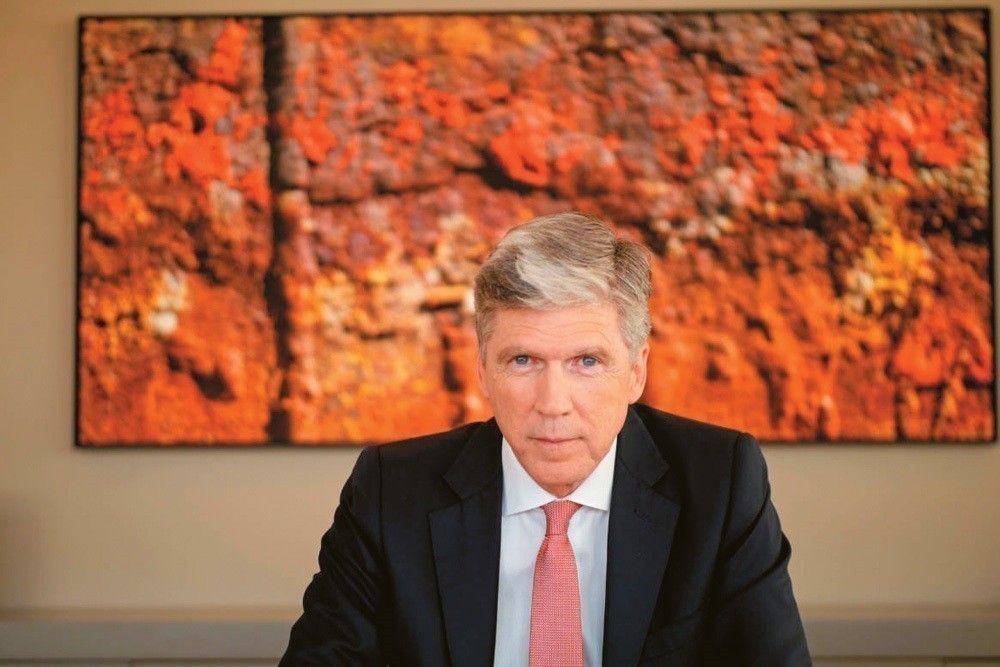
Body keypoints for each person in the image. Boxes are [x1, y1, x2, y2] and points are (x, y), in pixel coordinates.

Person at [280, 213, 811, 666]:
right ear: (483, 372)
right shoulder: (389, 492)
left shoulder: (721, 486)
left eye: (587, 361)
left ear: (636, 372)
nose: (553, 402)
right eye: (523, 360)